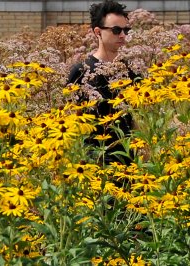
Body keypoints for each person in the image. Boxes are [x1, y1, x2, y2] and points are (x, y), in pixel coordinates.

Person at [67, 0, 138, 165]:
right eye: (116, 30)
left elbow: (138, 122)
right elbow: (70, 121)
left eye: (125, 30)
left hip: (129, 168)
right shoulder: (80, 72)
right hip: (93, 165)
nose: (122, 35)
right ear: (97, 32)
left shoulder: (131, 72)